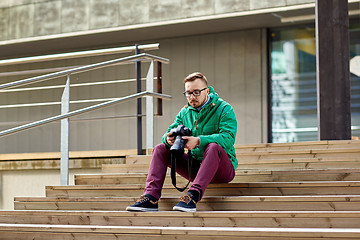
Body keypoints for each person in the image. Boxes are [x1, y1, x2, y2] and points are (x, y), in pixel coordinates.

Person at [126, 72, 238, 212]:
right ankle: (151, 198)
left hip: (222, 170)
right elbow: (170, 131)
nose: (192, 97)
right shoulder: (184, 112)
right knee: (160, 148)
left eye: (196, 92)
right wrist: (168, 139)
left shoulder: (224, 109)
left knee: (213, 147)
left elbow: (228, 138)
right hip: (196, 167)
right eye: (188, 93)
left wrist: (198, 141)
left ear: (207, 91)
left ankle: (192, 196)